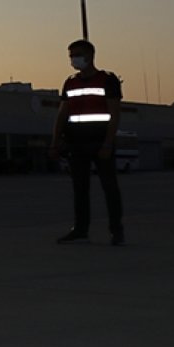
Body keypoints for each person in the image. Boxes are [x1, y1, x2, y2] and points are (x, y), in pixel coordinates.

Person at [50, 39, 125, 246]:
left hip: (100, 143)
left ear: (90, 56)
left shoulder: (107, 80)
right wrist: (55, 142)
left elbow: (114, 114)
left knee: (109, 187)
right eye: (71, 55)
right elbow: (62, 114)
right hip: (76, 144)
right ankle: (80, 229)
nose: (74, 59)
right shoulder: (70, 82)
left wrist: (108, 144)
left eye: (77, 54)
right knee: (80, 189)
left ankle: (116, 230)